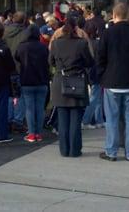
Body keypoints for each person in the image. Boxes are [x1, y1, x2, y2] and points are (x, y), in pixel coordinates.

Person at [97, 3, 129, 162]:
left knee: (112, 118)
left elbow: (100, 58)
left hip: (112, 81)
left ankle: (112, 151)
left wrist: (102, 76)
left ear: (114, 15)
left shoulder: (107, 33)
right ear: (128, 16)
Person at [49, 15, 93, 158]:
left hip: (60, 81)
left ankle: (64, 149)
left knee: (62, 119)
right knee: (75, 118)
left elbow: (51, 61)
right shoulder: (81, 43)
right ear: (75, 28)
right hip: (77, 81)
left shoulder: (56, 44)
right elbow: (89, 62)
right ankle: (74, 149)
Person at [15, 26, 50, 143]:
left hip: (27, 80)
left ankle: (31, 134)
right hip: (42, 80)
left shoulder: (22, 46)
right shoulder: (43, 47)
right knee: (40, 108)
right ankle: (38, 133)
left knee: (29, 108)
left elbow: (17, 57)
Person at [3, 11, 30, 133]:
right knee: (21, 95)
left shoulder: (5, 32)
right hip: (20, 66)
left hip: (7, 66)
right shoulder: (25, 33)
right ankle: (17, 121)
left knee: (9, 95)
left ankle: (8, 119)